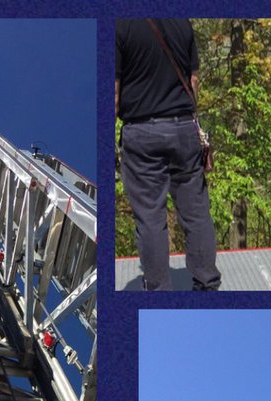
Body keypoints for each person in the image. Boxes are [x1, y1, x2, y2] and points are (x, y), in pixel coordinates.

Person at [115, 19, 221, 291]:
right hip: (183, 128)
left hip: (141, 131)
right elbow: (193, 79)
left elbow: (113, 91)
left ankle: (159, 292)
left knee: (151, 217)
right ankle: (207, 283)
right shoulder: (181, 23)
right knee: (196, 212)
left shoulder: (121, 25)